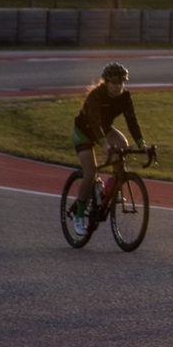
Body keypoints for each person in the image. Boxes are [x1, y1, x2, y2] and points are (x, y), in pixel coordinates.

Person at [69, 62, 147, 237]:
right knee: (90, 172)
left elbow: (132, 121)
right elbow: (95, 123)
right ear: (105, 82)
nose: (118, 86)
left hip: (105, 129)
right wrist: (104, 143)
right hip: (84, 131)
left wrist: (142, 144)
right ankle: (79, 215)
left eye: (121, 82)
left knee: (123, 146)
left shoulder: (125, 97)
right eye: (114, 83)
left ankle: (114, 186)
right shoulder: (96, 96)